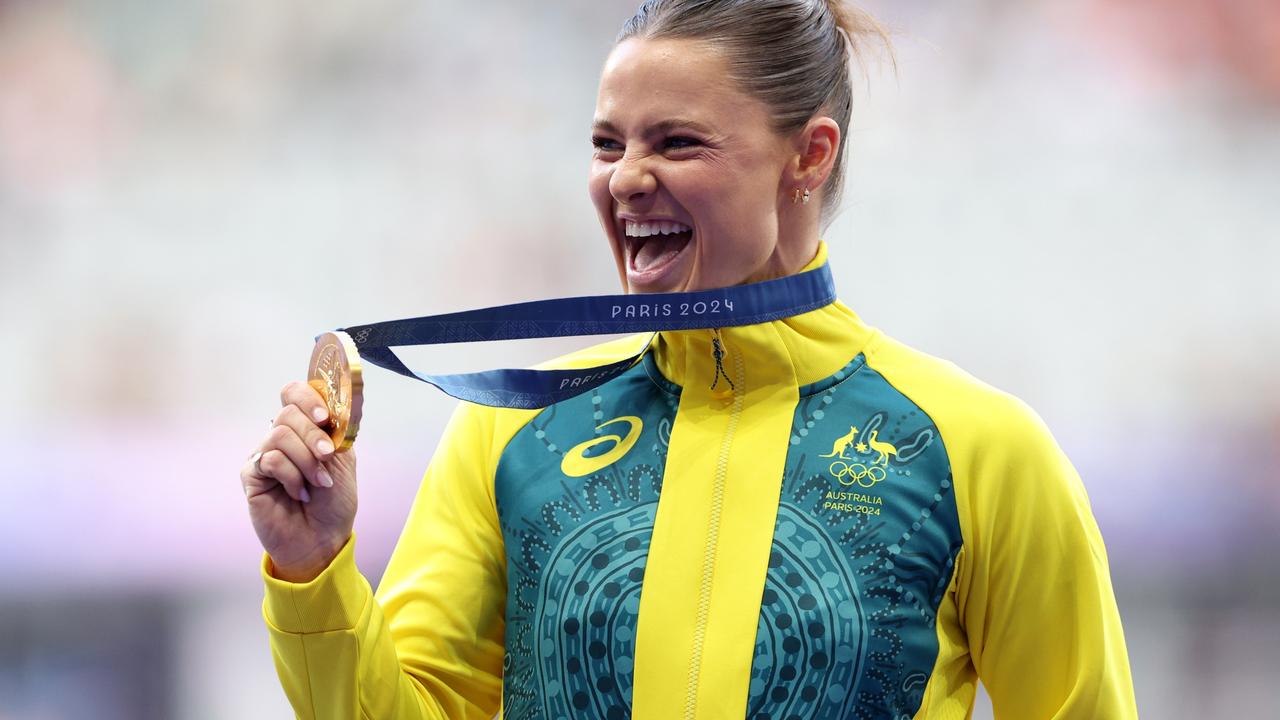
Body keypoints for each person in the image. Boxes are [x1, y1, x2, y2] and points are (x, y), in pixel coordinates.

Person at [240, 1, 1139, 718]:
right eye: (607, 143)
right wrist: (315, 572)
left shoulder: (980, 451)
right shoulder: (514, 427)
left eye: (676, 142)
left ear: (808, 155)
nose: (626, 177)